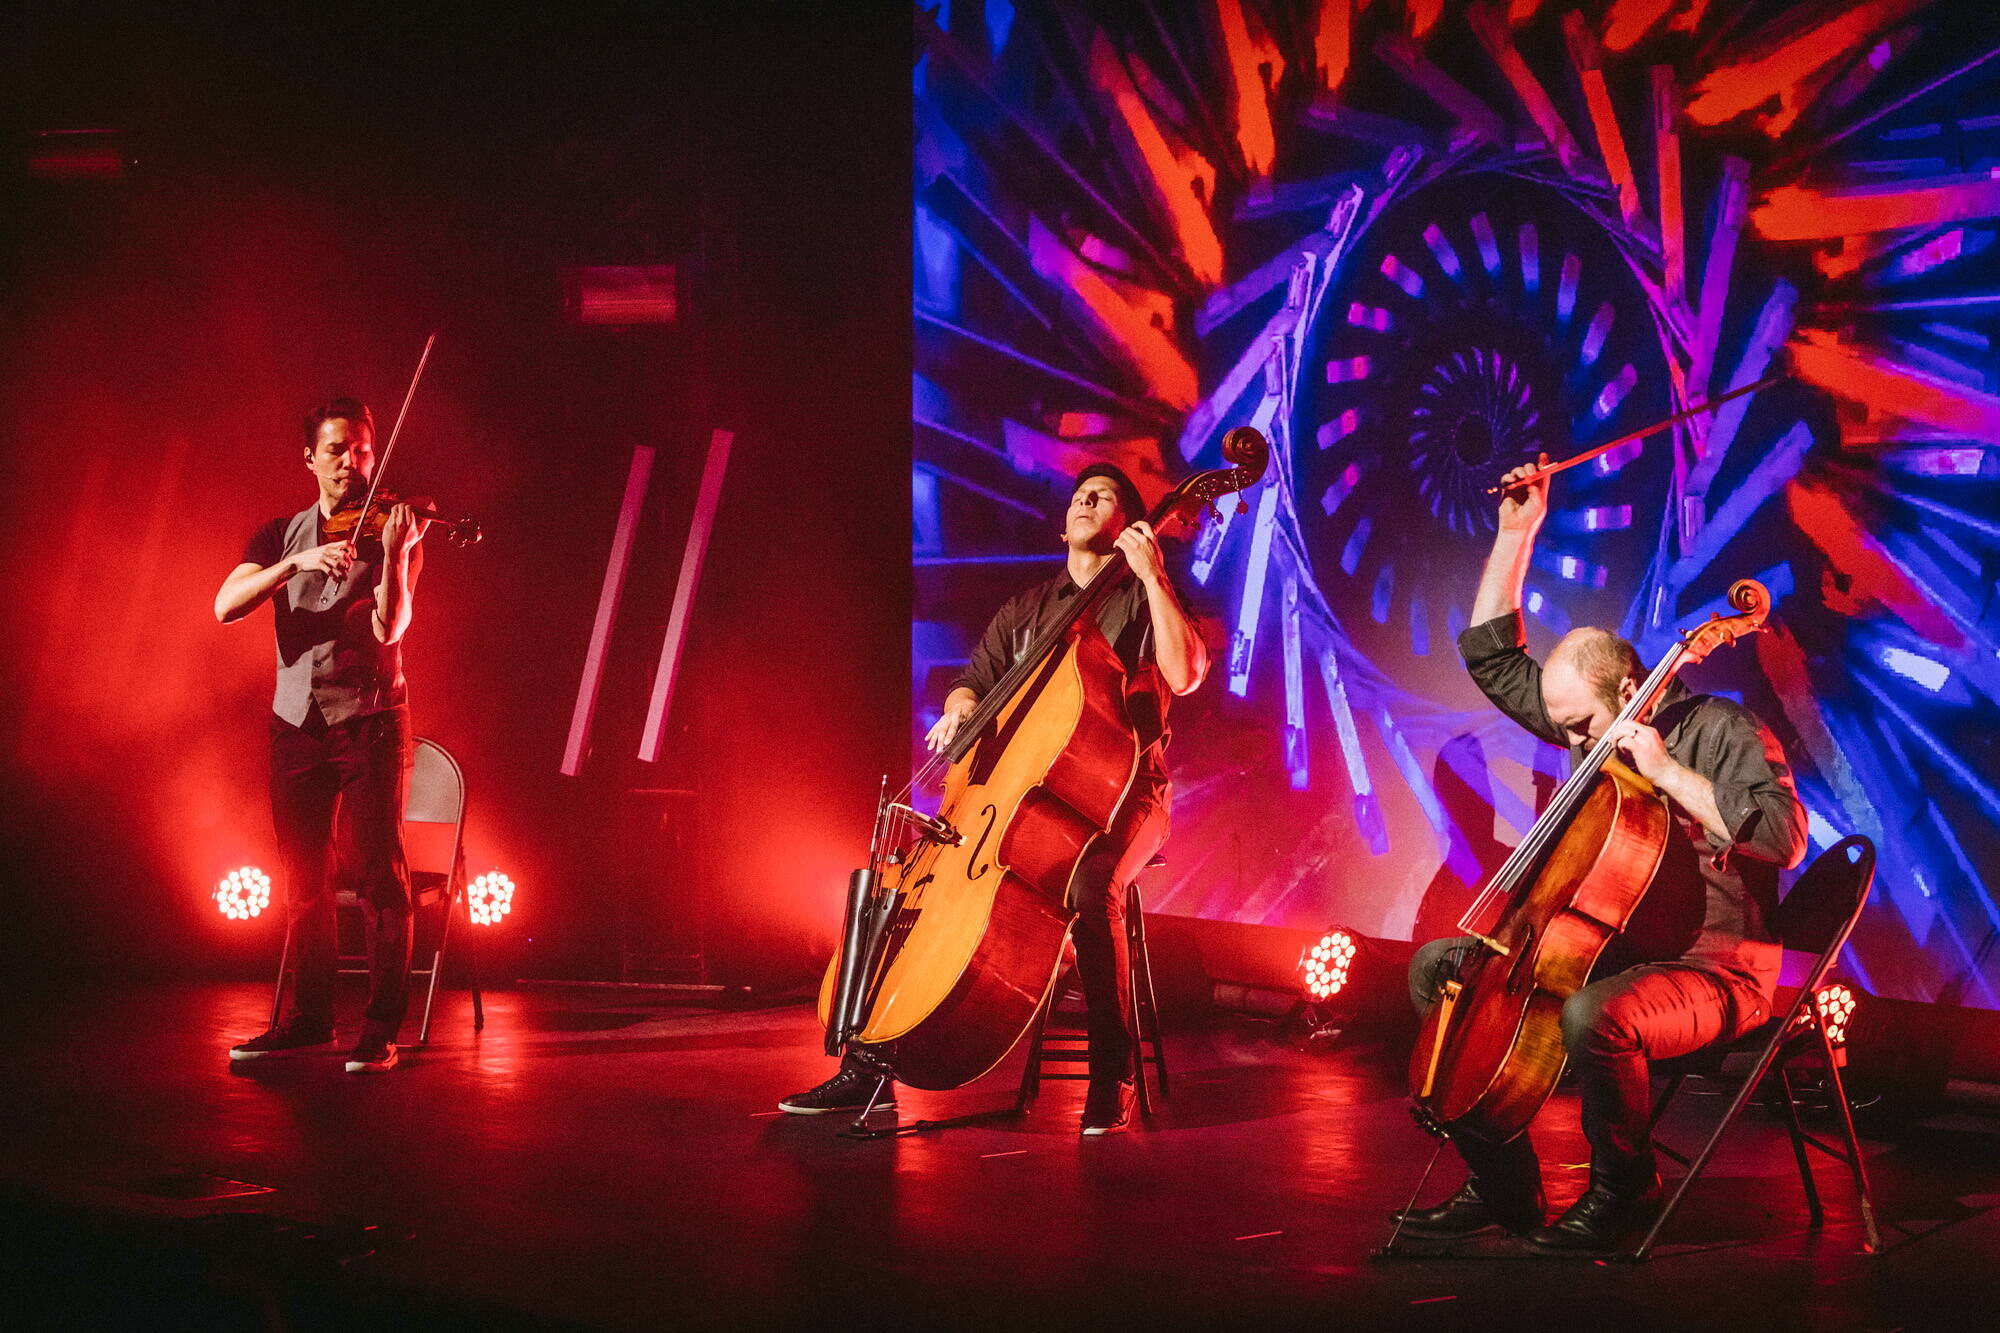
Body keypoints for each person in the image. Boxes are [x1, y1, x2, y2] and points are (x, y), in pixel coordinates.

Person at [1396, 456, 1807, 1251]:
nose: (1572, 741)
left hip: (1718, 968)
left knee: (1593, 1014)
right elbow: (1490, 657)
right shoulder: (1591, 726)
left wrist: (1666, 774)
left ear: (1628, 692)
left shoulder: (1722, 729)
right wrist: (1518, 531)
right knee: (1437, 971)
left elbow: (1784, 837)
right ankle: (1504, 1182)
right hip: (1618, 953)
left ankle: (1626, 1186)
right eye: (1565, 727)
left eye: (1581, 725)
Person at [779, 463, 1207, 1133]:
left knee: (1093, 883)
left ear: (1128, 525)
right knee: (902, 873)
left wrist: (1153, 575)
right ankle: (868, 1060)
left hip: (1130, 796)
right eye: (1079, 497)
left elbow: (1186, 674)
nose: (1088, 502)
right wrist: (958, 710)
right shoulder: (1029, 608)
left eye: (1105, 498)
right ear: (1064, 524)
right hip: (1025, 797)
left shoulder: (1140, 598)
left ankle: (1112, 1071)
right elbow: (971, 680)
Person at [214, 397, 429, 1074]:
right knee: (302, 880)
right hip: (295, 727)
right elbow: (225, 605)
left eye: (362, 449)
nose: (352, 462)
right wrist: (298, 564)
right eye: (337, 450)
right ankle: (308, 1019)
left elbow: (390, 628)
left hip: (369, 719)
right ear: (310, 458)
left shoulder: (394, 528)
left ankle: (378, 1026)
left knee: (380, 877)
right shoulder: (280, 534)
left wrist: (394, 554)